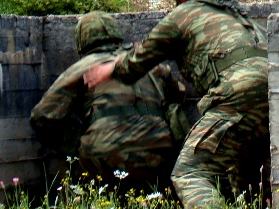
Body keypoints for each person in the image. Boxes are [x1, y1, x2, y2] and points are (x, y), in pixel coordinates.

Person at [83, 0, 269, 209]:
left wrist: (110, 69)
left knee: (190, 173)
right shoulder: (237, 13)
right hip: (276, 95)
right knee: (248, 178)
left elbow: (139, 61)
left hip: (237, 95)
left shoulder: (181, 15)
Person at [30, 11, 186, 192]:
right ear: (117, 36)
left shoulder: (82, 68)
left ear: (82, 44)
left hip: (103, 156)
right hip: (159, 153)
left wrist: (78, 142)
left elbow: (41, 117)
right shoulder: (147, 63)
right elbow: (178, 95)